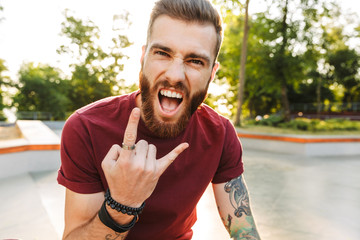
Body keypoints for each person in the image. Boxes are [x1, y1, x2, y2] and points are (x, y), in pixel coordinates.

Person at [57, 0, 261, 239]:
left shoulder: (220, 133)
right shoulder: (85, 128)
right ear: (144, 57)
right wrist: (124, 203)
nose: (175, 75)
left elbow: (244, 230)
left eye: (195, 61)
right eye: (163, 53)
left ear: (212, 73)